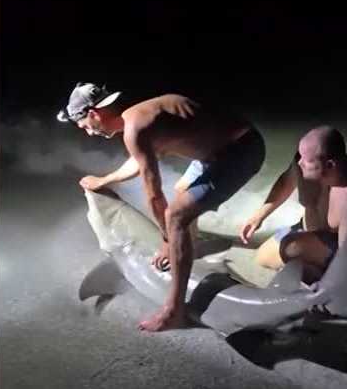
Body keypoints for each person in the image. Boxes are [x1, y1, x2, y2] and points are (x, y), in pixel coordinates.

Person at [57, 82, 265, 331]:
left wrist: (167, 240)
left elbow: (154, 196)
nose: (89, 133)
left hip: (240, 152)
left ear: (94, 114)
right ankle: (188, 250)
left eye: (85, 126)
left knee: (175, 215)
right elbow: (139, 161)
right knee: (181, 193)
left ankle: (174, 311)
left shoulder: (136, 128)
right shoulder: (138, 117)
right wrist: (104, 180)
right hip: (215, 152)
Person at [239, 126, 347, 287]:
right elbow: (286, 183)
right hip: (312, 232)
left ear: (330, 165)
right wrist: (259, 216)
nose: (299, 162)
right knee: (262, 258)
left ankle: (316, 275)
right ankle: (308, 265)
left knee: (291, 248)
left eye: (305, 160)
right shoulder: (304, 162)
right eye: (300, 156)